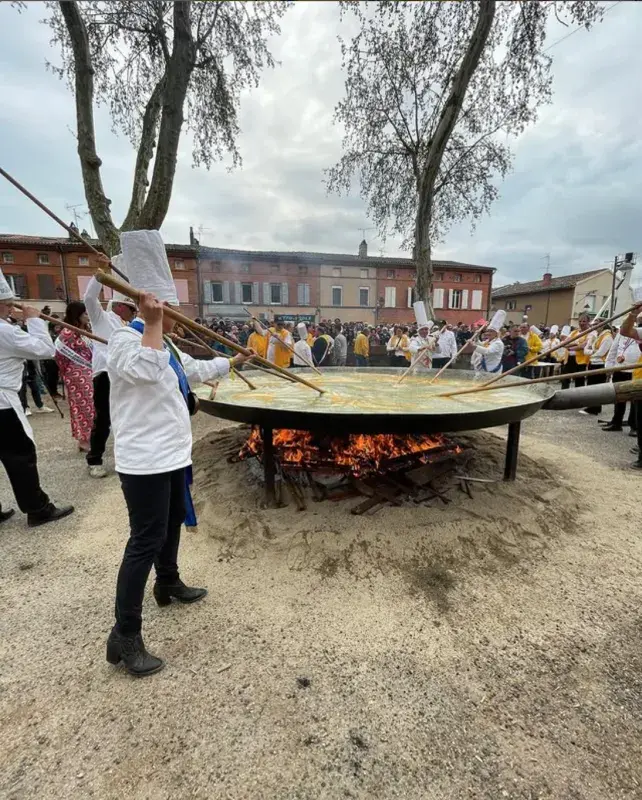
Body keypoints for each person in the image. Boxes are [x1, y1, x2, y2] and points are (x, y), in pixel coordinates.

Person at [105, 230, 252, 677]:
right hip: (144, 461)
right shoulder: (124, 343)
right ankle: (124, 635)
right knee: (143, 541)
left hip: (172, 455)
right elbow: (147, 374)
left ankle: (167, 582)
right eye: (168, 310)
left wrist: (234, 361)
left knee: (170, 524)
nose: (175, 318)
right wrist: (151, 323)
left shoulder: (162, 343)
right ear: (148, 307)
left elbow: (189, 369)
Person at [0, 267, 74, 526]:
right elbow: (45, 350)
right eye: (8, 305)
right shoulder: (5, 331)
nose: (11, 309)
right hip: (2, 406)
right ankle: (37, 508)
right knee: (20, 455)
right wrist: (34, 320)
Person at [83, 265, 137, 477]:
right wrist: (100, 272)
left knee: (126, 414)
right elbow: (89, 298)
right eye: (132, 309)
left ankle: (127, 455)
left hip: (124, 374)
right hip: (105, 374)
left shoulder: (130, 327)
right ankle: (94, 460)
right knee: (104, 418)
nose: (134, 314)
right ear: (121, 307)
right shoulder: (101, 319)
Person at [55, 301, 95, 452]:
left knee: (92, 406)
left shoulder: (85, 330)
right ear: (76, 315)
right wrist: (68, 372)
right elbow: (59, 355)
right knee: (83, 406)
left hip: (90, 371)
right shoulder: (68, 333)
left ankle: (89, 436)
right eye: (85, 313)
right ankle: (84, 440)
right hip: (77, 373)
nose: (88, 316)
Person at [600, 326, 641, 432]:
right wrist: (609, 368)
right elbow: (613, 350)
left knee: (635, 399)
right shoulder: (622, 332)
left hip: (635, 370)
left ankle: (634, 426)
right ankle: (616, 422)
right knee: (618, 397)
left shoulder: (639, 332)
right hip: (619, 368)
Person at [580, 325, 613, 416]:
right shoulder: (596, 336)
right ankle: (592, 406)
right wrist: (591, 351)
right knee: (591, 385)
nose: (594, 326)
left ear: (602, 326)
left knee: (597, 387)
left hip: (600, 364)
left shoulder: (607, 337)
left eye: (596, 325)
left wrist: (590, 352)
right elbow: (585, 350)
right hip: (592, 363)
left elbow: (601, 353)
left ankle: (596, 408)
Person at [560, 315, 591, 389]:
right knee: (565, 379)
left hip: (581, 360)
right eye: (580, 321)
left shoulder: (590, 332)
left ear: (588, 322)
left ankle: (579, 397)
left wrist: (570, 347)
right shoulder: (574, 332)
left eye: (584, 321)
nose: (581, 323)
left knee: (579, 380)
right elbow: (564, 343)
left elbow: (583, 346)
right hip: (569, 358)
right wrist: (575, 344)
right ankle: (564, 394)